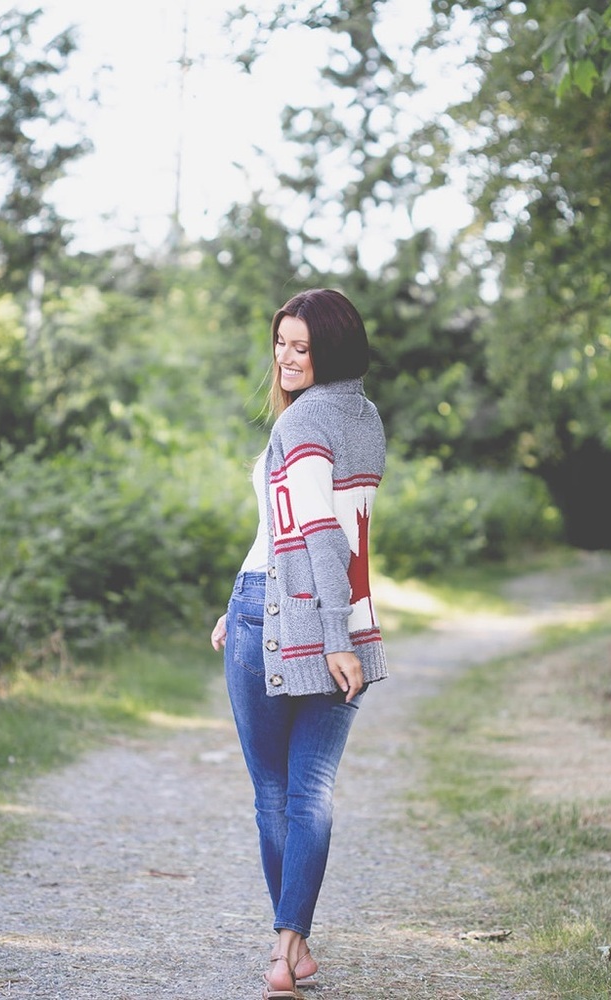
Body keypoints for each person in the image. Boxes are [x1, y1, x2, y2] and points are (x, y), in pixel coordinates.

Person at [210, 288, 388, 999]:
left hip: (288, 618)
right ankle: (293, 949)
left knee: (278, 793)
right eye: (281, 343)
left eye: (301, 346)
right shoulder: (365, 417)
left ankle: (288, 950)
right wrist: (238, 597)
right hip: (289, 606)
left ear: (330, 350)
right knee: (310, 792)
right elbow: (283, 529)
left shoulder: (304, 422)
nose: (285, 358)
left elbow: (320, 534)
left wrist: (327, 637)